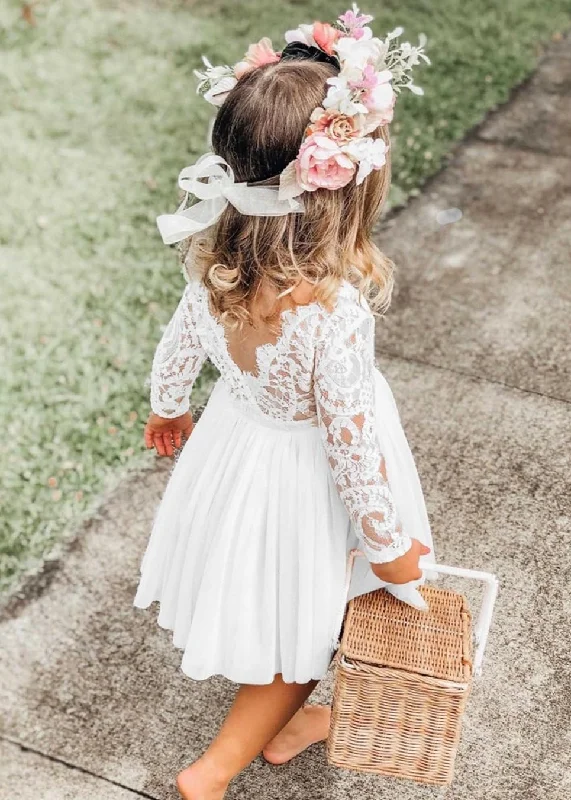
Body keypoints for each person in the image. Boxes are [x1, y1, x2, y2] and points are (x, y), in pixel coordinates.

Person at [134, 8, 433, 799]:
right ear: (347, 189)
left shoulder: (211, 259)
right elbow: (348, 449)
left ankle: (300, 720)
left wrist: (168, 409)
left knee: (304, 608)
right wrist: (387, 545)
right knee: (315, 617)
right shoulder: (333, 315)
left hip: (239, 447)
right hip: (305, 483)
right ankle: (213, 769)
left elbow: (177, 346)